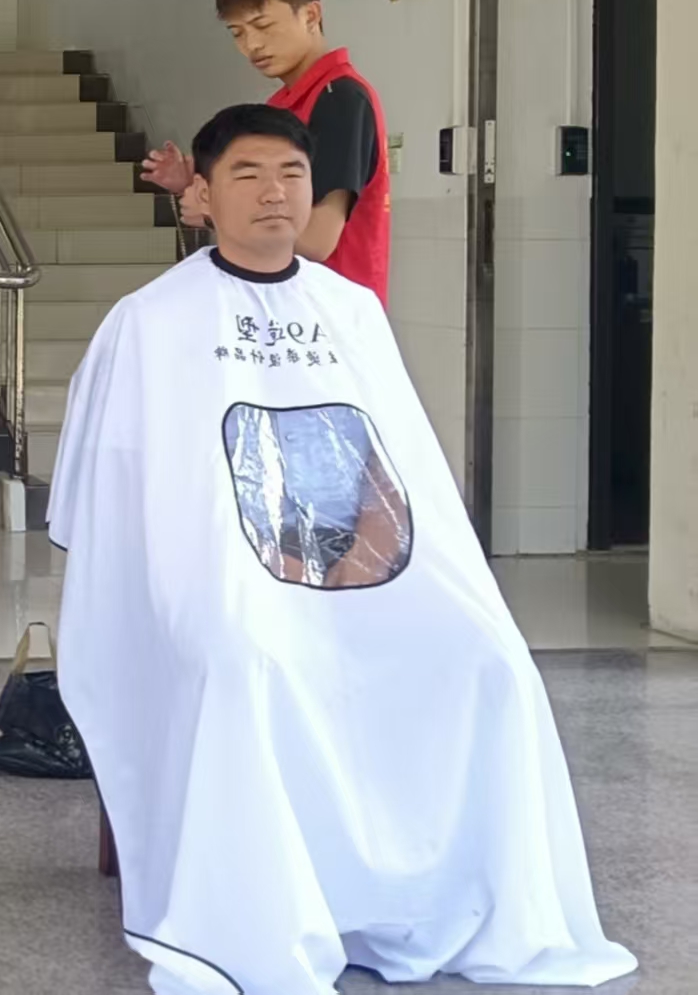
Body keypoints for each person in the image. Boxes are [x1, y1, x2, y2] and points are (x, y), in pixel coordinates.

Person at [51, 105, 634, 995]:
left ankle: (443, 895)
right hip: (221, 574)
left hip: (367, 564)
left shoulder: (352, 311)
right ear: (202, 193)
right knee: (245, 661)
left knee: (490, 660)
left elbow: (402, 461)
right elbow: (117, 485)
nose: (274, 192)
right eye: (247, 174)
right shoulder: (149, 322)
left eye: (291, 173)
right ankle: (262, 906)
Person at [142, 0, 390, 306]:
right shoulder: (280, 106)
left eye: (263, 26)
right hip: (284, 307)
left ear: (311, 15)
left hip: (329, 315)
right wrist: (196, 185)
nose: (252, 45)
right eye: (237, 33)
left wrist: (212, 212)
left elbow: (317, 240)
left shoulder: (340, 99)